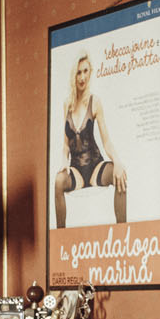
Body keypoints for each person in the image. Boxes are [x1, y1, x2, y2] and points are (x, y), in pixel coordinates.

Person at [53, 50, 128, 227]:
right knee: (58, 181)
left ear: (90, 72)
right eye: (78, 72)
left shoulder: (95, 102)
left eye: (86, 71)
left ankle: (122, 231)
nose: (82, 77)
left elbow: (106, 141)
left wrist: (117, 161)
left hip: (96, 167)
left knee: (121, 176)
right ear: (73, 75)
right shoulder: (67, 104)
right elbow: (66, 145)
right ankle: (60, 236)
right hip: (76, 171)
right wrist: (63, 162)